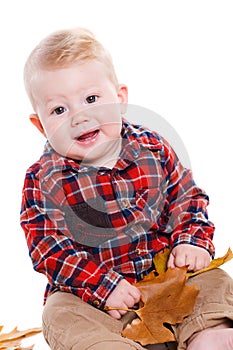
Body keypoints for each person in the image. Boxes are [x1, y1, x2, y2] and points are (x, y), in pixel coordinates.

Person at [20, 27, 233, 350]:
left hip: (167, 281)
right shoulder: (44, 179)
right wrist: (102, 285)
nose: (80, 116)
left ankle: (207, 333)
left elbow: (186, 198)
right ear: (40, 125)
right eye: (59, 110)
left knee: (213, 280)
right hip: (99, 301)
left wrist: (192, 240)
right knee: (59, 312)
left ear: (120, 100)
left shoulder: (152, 148)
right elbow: (48, 249)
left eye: (91, 99)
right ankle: (110, 345)